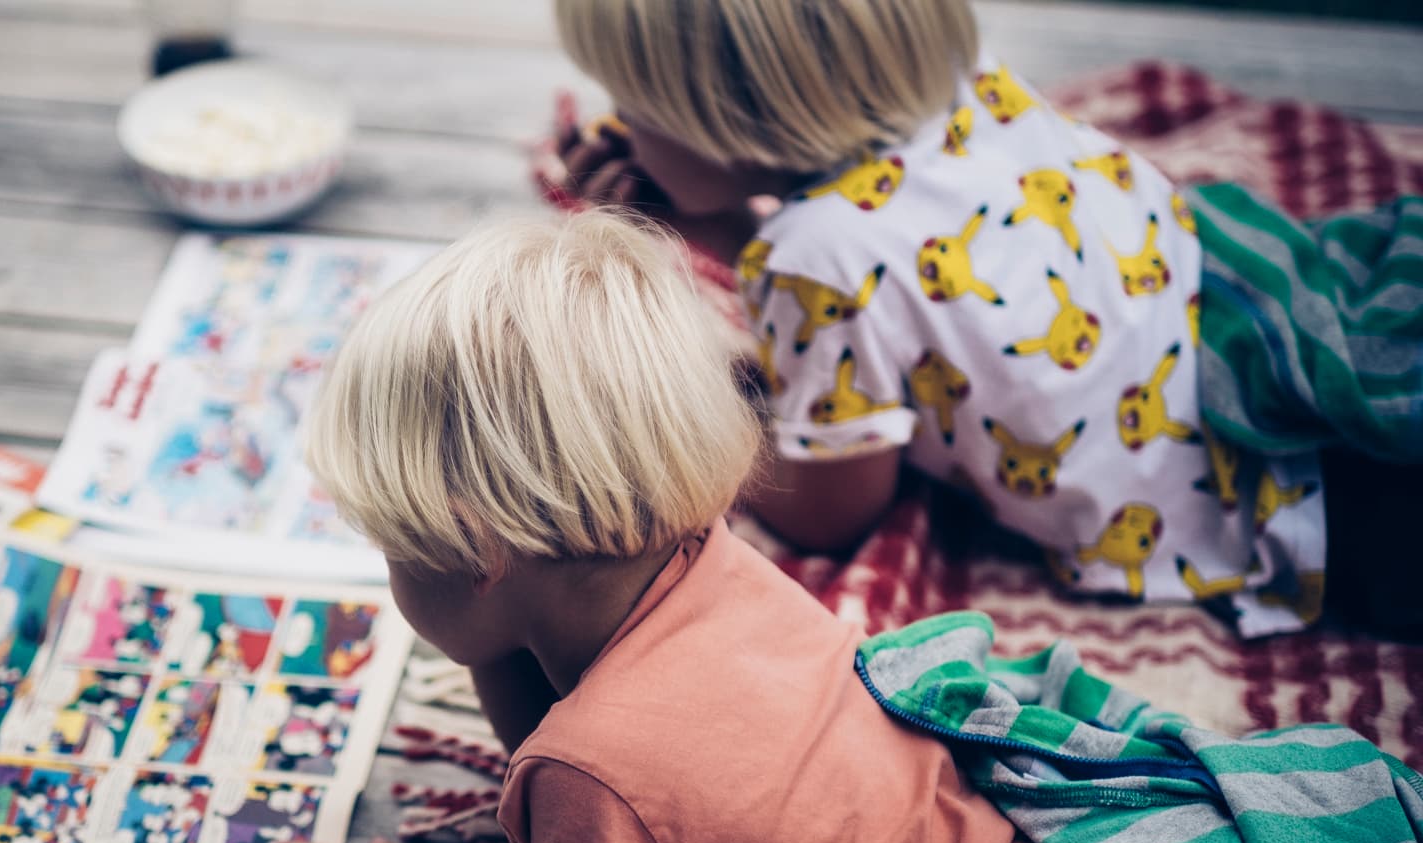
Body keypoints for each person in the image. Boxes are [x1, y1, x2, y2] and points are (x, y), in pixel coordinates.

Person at [229, 212, 1215, 843]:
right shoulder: (706, 558)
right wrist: (491, 630)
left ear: (478, 548)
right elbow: (578, 716)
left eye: (394, 545)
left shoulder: (593, 772)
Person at [544, 0, 1423, 638]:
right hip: (1251, 312)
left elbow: (829, 515)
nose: (615, 123)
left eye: (630, 100)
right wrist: (720, 225)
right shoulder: (972, 96)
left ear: (728, 123)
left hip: (1280, 484)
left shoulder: (811, 261)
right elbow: (877, 280)